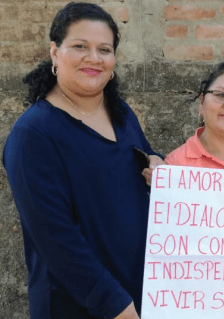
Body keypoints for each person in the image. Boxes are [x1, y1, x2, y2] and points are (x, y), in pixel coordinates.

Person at [2, 3, 164, 318]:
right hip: (85, 305)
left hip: (140, 294)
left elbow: (144, 158)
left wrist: (157, 163)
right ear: (54, 52)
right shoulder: (33, 135)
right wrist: (118, 306)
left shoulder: (121, 114)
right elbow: (57, 240)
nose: (93, 58)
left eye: (104, 49)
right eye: (80, 46)